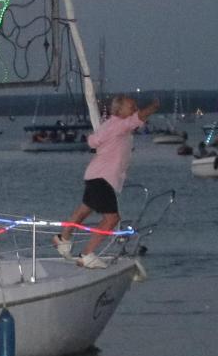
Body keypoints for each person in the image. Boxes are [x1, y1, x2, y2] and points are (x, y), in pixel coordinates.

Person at [53, 95, 160, 268]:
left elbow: (93, 141)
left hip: (95, 175)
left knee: (84, 210)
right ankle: (87, 254)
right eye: (131, 106)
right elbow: (139, 117)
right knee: (112, 219)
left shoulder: (109, 126)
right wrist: (153, 106)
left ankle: (63, 238)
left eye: (135, 106)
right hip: (103, 178)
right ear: (118, 110)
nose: (134, 109)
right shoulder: (119, 125)